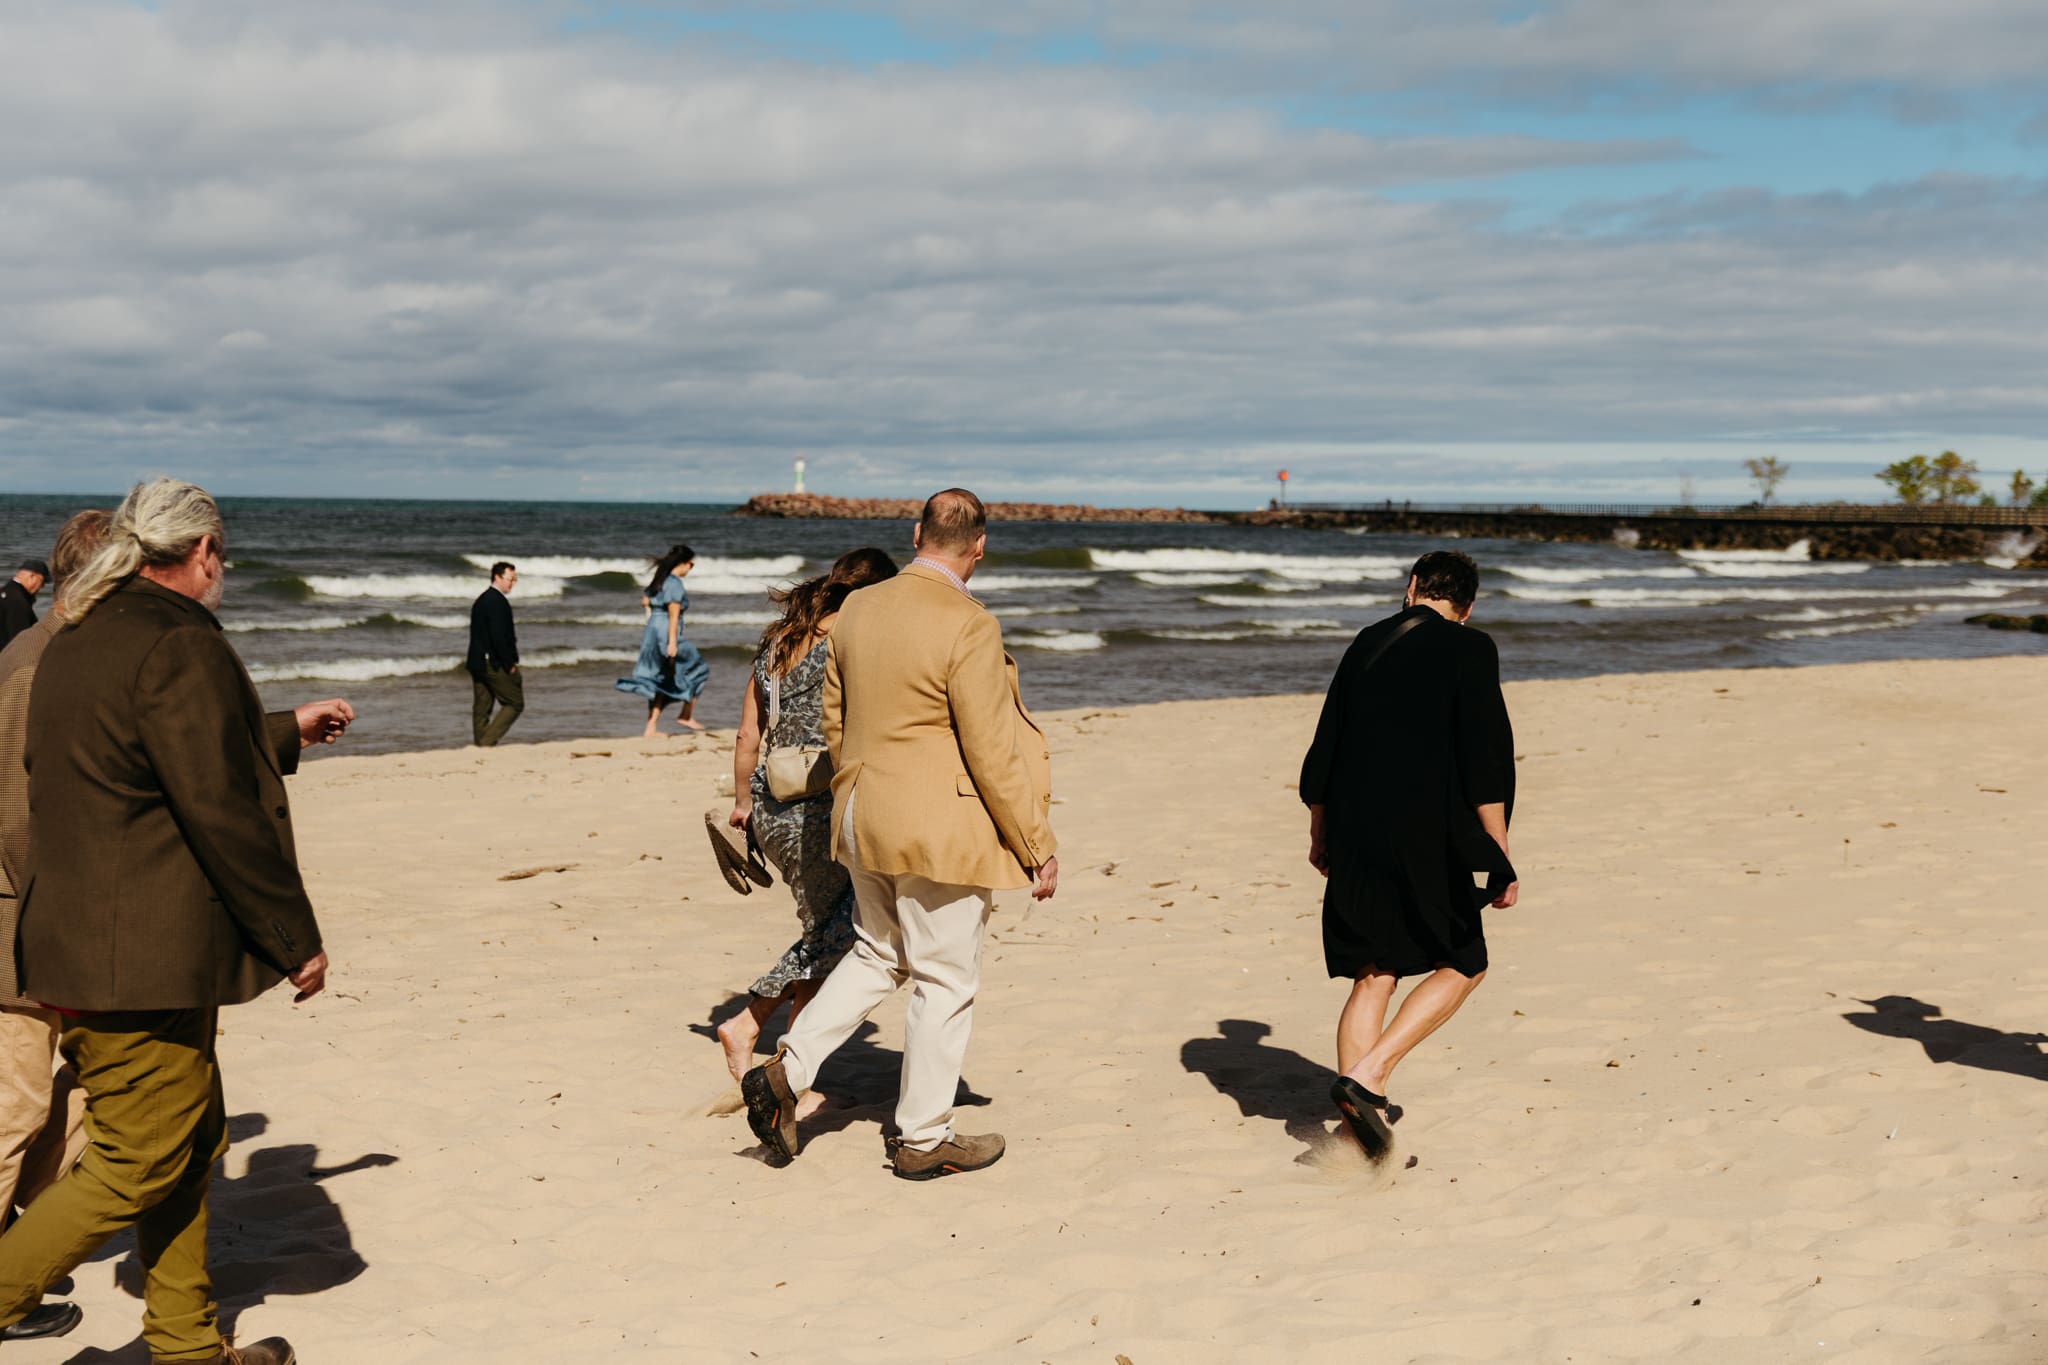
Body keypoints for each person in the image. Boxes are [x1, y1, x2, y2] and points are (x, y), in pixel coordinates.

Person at [0, 478, 353, 1365]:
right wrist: (293, 938)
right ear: (201, 554)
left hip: (101, 942)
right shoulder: (172, 642)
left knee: (190, 1140)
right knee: (133, 1160)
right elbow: (219, 805)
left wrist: (281, 733)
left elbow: (150, 762)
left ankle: (187, 1343)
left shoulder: (75, 634)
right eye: (220, 558)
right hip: (137, 956)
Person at [742, 489, 1059, 1181]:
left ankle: (786, 1073)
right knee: (945, 977)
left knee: (879, 951)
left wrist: (859, 783)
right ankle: (922, 1136)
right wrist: (1036, 842)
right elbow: (990, 748)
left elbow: (835, 717)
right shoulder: (969, 622)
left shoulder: (857, 609)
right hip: (936, 824)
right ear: (980, 545)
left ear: (916, 533)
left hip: (863, 813)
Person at [1299, 549, 1519, 1163]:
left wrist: (1320, 830)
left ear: (1412, 587)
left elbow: (1326, 745)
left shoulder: (1367, 642)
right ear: (1467, 608)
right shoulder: (1470, 648)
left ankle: (1353, 1137)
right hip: (1424, 831)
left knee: (1375, 972)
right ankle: (1371, 1077)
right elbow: (1486, 758)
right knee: (1466, 961)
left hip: (1352, 828)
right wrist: (1499, 853)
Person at [715, 547, 899, 1093]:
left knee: (828, 929)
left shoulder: (778, 640)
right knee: (840, 933)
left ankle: (793, 1067)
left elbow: (749, 732)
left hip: (769, 802)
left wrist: (745, 805)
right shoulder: (853, 634)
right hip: (818, 808)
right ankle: (748, 1025)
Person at [0, 514, 106, 1346]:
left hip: (41, 926)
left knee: (60, 1107)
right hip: (20, 931)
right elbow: (16, 825)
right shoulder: (37, 667)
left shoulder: (51, 654)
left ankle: (20, 1252)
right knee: (16, 1110)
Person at [615, 543, 710, 735]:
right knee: (700, 669)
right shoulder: (674, 583)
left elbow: (645, 600)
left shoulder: (660, 579)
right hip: (666, 631)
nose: (690, 569)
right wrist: (672, 641)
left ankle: (651, 727)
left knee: (662, 678)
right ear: (683, 563)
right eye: (691, 565)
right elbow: (673, 614)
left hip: (652, 632)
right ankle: (686, 714)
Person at [467, 560, 522, 747]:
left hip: (477, 661)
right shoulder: (496, 602)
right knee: (515, 703)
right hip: (493, 662)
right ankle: (486, 742)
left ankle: (481, 745)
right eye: (510, 579)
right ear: (497, 577)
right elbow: (499, 638)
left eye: (515, 579)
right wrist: (509, 664)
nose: (513, 583)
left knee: (482, 707)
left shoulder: (482, 600)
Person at [0, 560, 47, 652]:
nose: (43, 586)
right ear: (32, 576)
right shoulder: (18, 601)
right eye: (42, 581)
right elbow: (21, 641)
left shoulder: (6, 592)